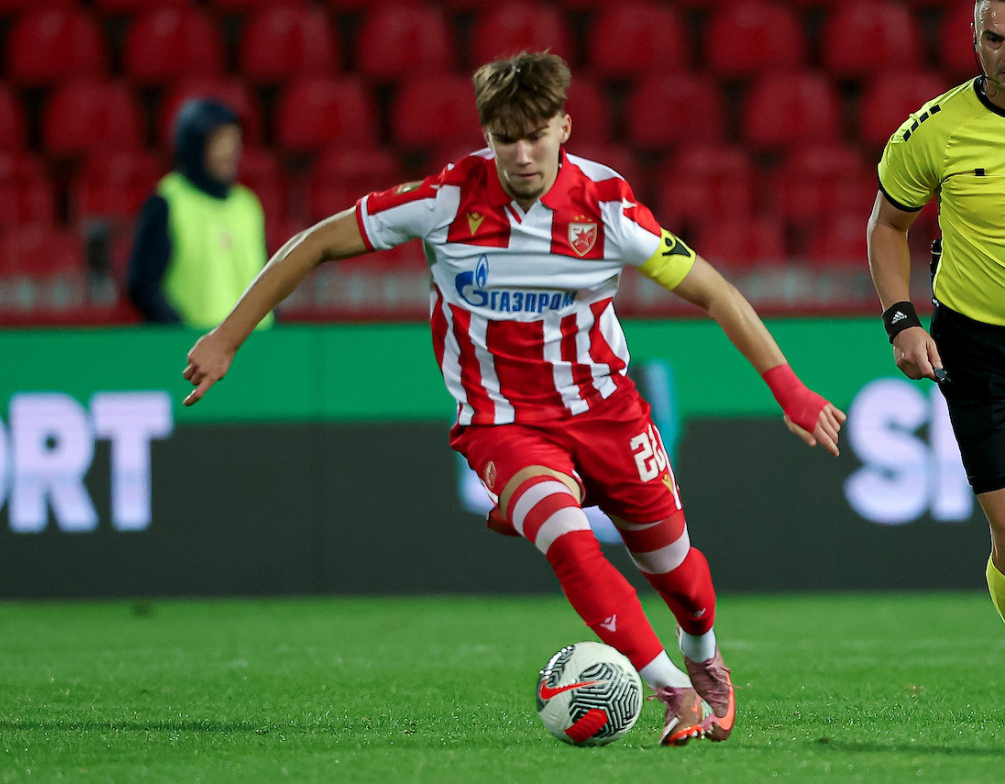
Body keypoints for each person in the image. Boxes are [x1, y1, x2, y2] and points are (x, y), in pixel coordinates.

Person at [182, 53, 846, 747]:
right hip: (502, 424)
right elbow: (316, 242)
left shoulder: (608, 207)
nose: (522, 155)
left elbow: (715, 292)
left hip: (608, 413)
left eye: (535, 136)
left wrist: (791, 391)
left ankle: (703, 658)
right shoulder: (446, 200)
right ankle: (673, 691)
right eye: (506, 139)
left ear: (564, 127)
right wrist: (228, 337)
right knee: (568, 540)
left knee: (681, 579)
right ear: (487, 135)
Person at [868, 0, 1005, 628]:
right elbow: (887, 226)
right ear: (975, 39)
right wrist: (902, 321)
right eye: (995, 39)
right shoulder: (934, 130)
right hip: (976, 351)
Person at [127, 98, 271, 330]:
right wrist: (182, 336)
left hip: (258, 344)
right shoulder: (168, 202)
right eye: (219, 141)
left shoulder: (248, 205)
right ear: (193, 145)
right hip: (197, 349)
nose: (230, 151)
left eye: (234, 141)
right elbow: (143, 286)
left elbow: (271, 280)